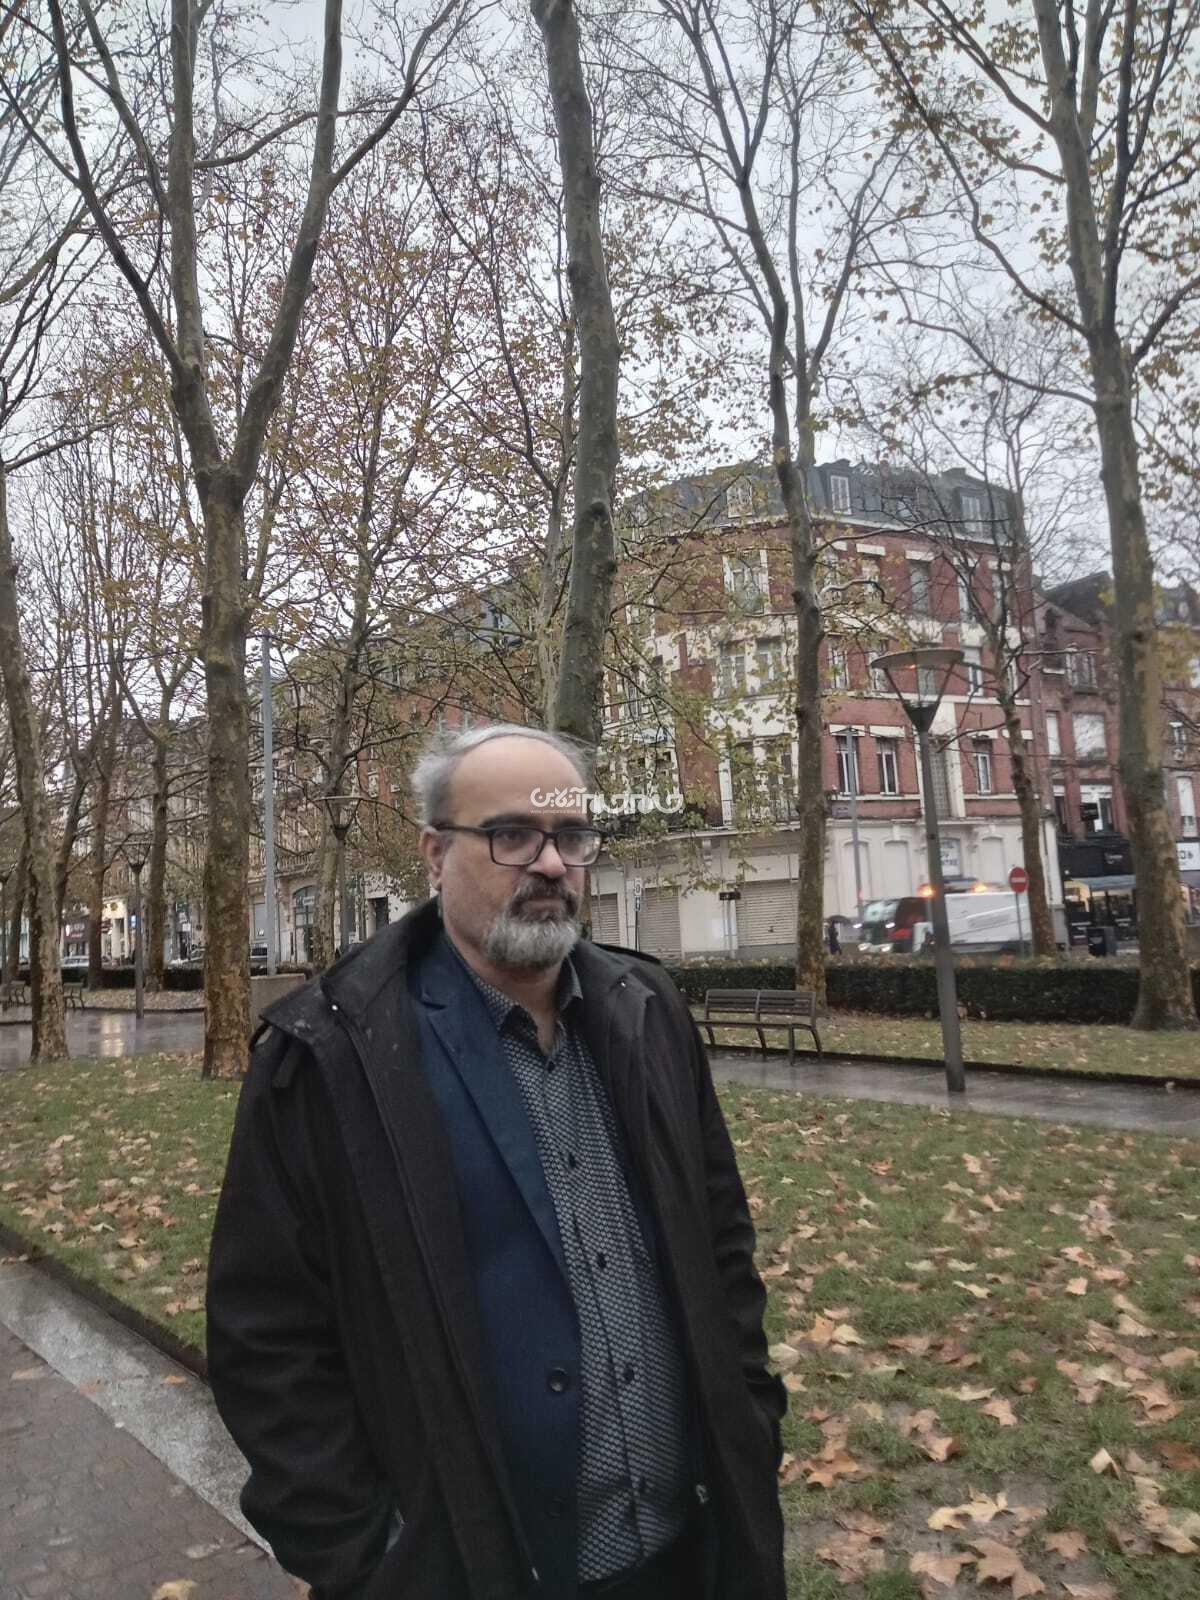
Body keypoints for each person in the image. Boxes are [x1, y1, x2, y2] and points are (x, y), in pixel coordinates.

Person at [206, 724, 786, 1600]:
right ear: (435, 855)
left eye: (571, 836)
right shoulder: (331, 1056)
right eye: (511, 834)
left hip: (690, 1556)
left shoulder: (649, 1014)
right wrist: (372, 1557)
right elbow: (265, 1337)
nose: (550, 864)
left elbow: (722, 1248)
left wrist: (750, 1421)